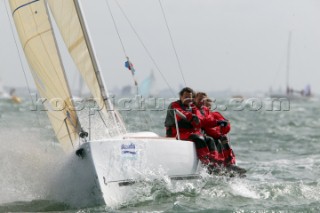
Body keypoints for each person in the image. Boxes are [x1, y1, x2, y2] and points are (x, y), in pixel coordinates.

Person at [164, 87, 220, 167]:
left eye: (190, 97)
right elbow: (180, 114)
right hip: (175, 133)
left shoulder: (193, 107)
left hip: (189, 133)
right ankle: (206, 162)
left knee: (209, 139)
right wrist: (192, 116)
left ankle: (214, 163)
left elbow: (202, 120)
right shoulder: (174, 105)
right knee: (198, 138)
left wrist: (217, 122)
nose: (188, 99)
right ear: (181, 97)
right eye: (186, 97)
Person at [194, 93, 246, 175]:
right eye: (203, 102)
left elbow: (226, 126)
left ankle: (229, 164)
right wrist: (218, 130)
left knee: (223, 138)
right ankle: (216, 165)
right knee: (216, 140)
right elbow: (206, 125)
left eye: (208, 105)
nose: (207, 106)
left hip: (213, 134)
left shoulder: (214, 114)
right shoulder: (196, 111)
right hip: (205, 134)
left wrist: (223, 127)